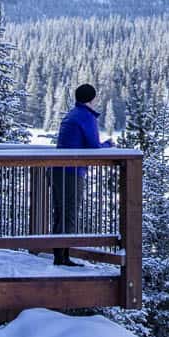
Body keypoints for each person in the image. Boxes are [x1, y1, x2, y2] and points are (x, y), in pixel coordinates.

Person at [51, 83, 113, 266]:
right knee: (69, 212)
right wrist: (109, 145)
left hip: (58, 169)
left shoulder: (72, 115)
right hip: (72, 170)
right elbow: (94, 146)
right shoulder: (86, 117)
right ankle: (63, 258)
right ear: (92, 98)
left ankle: (59, 255)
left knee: (61, 212)